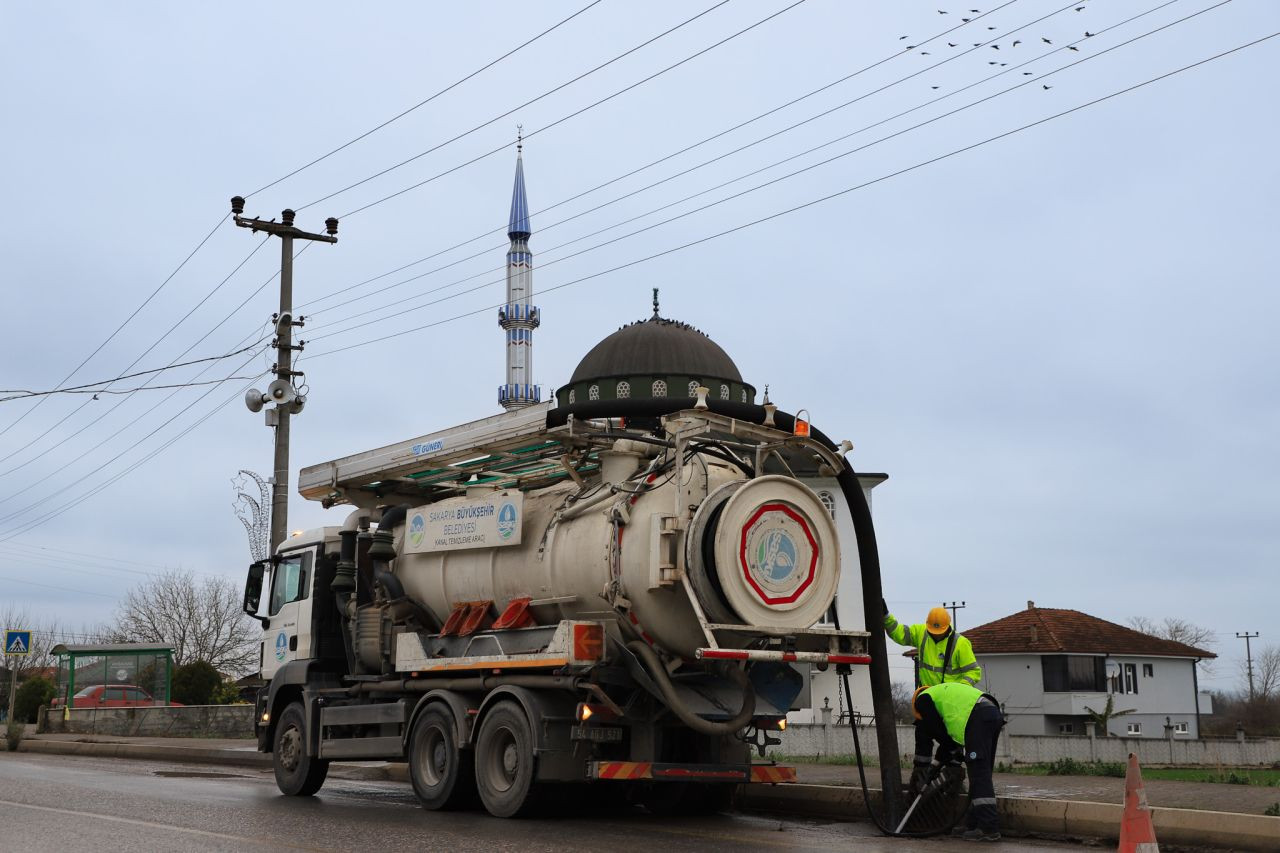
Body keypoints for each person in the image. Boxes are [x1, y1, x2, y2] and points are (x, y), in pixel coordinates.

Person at [912, 682, 1005, 842]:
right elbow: (947, 741)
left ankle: (989, 828)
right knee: (980, 772)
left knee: (979, 774)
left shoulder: (922, 700)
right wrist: (935, 766)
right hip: (990, 712)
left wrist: (934, 767)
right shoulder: (943, 696)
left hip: (978, 716)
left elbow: (939, 733)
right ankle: (973, 825)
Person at [883, 602, 982, 688]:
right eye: (933, 631)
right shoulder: (921, 633)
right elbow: (899, 633)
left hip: (950, 698)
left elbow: (973, 671)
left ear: (948, 626)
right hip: (927, 696)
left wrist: (961, 688)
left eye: (939, 632)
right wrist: (887, 617)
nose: (936, 634)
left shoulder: (961, 643)